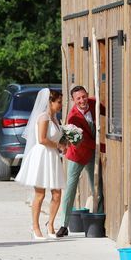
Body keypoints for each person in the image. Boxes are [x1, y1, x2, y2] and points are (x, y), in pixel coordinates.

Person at [15, 88, 66, 239]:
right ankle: (35, 226)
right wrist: (57, 146)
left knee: (57, 193)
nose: (61, 105)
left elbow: (56, 137)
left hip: (53, 157)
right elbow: (42, 139)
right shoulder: (43, 117)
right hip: (42, 156)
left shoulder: (56, 119)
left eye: (61, 102)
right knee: (40, 193)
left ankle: (50, 224)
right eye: (58, 102)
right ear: (50, 102)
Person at [56, 86, 104, 237]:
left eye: (84, 97)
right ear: (73, 101)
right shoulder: (72, 118)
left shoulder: (94, 103)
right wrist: (100, 145)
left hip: (93, 155)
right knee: (70, 188)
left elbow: (106, 110)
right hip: (78, 154)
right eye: (78, 99)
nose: (82, 100)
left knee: (97, 186)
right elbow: (81, 142)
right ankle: (64, 224)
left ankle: (100, 218)